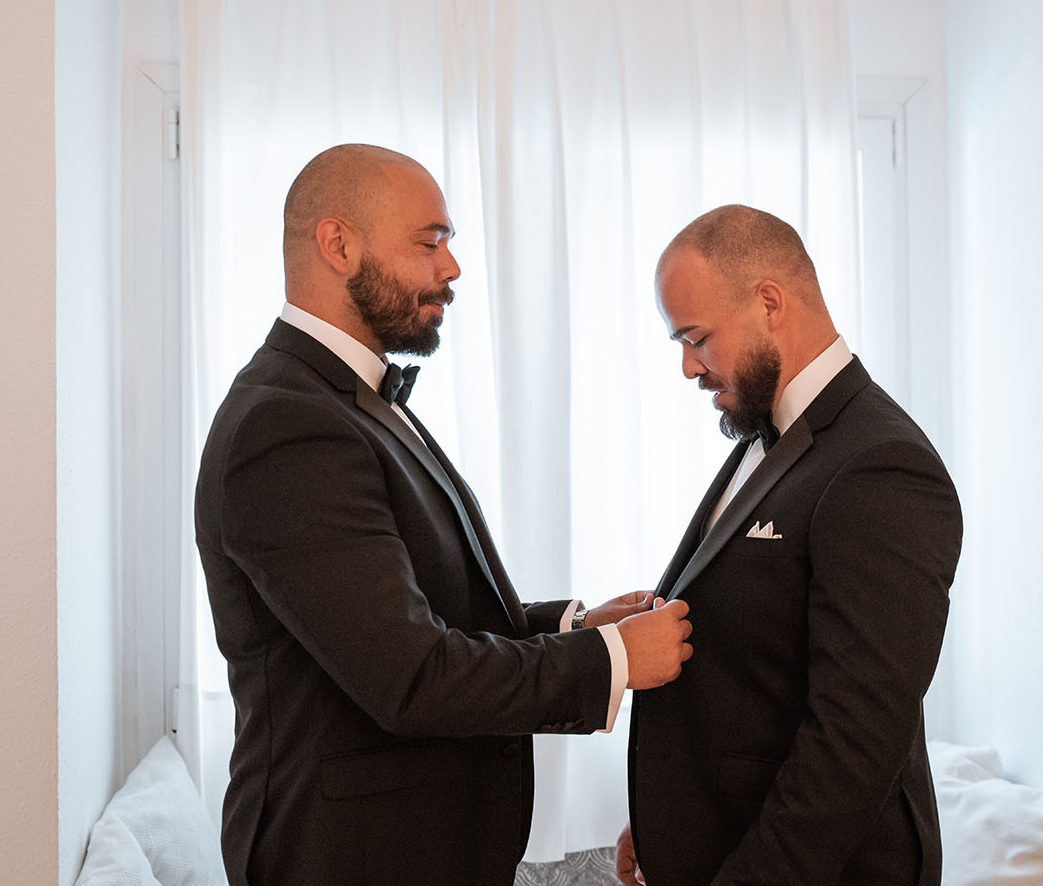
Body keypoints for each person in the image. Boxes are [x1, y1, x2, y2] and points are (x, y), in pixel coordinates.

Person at [195, 143, 693, 886]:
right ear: (338, 245)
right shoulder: (287, 425)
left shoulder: (347, 400)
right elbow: (412, 674)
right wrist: (614, 659)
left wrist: (576, 626)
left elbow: (415, 614)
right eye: (430, 242)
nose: (453, 267)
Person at [617, 205, 962, 886]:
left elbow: (854, 744)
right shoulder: (767, 438)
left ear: (769, 303)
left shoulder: (881, 464)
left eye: (696, 338)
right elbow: (751, 680)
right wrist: (668, 821)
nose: (688, 367)